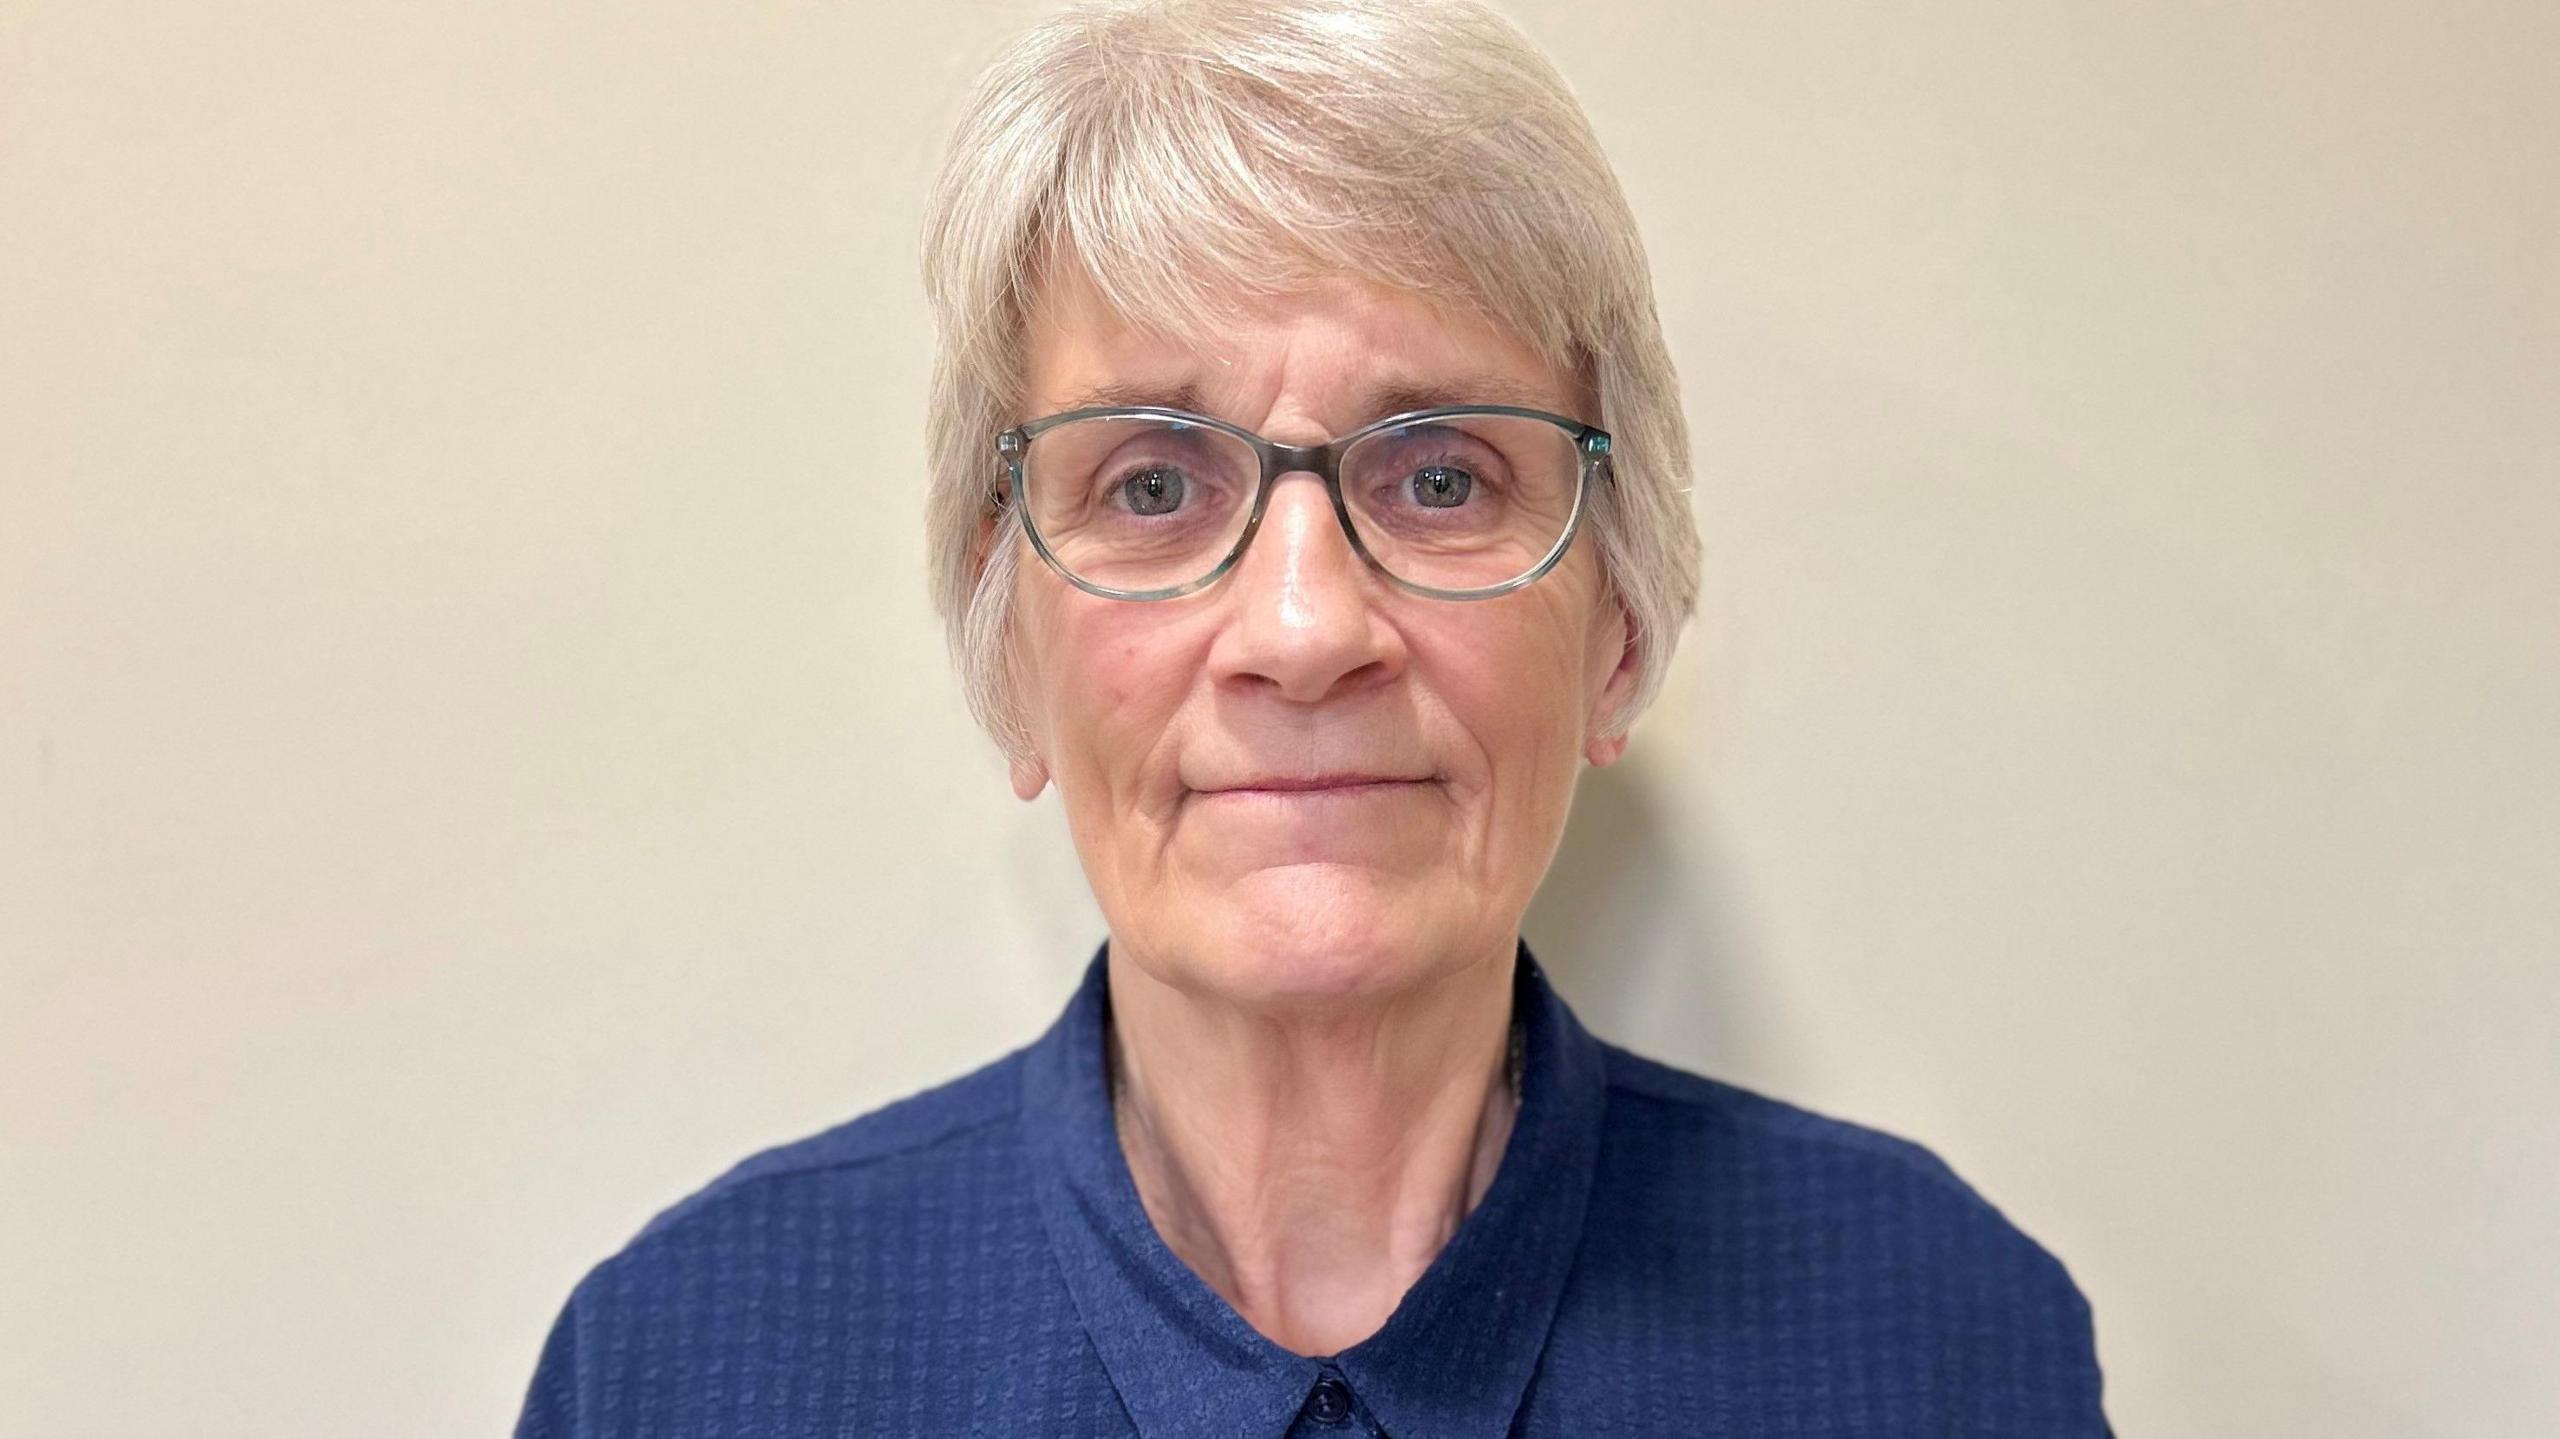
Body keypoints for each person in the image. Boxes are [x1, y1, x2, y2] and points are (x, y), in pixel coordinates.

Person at [514, 1, 2110, 1433]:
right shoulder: (685, 1367)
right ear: (1009, 653)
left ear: (1618, 629)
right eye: (1150, 484)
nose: (1302, 629)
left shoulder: (1946, 1346)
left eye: (1439, 477)